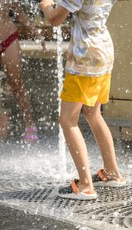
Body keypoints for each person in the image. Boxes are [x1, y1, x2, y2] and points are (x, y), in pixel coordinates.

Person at [40, 0, 126, 200]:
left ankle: (86, 185)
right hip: (103, 51)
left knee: (68, 120)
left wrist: (45, 4)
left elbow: (54, 19)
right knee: (93, 113)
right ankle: (113, 172)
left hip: (84, 58)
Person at [0, 0, 45, 151]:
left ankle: (30, 125)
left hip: (8, 39)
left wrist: (36, 33)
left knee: (16, 84)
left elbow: (20, 14)